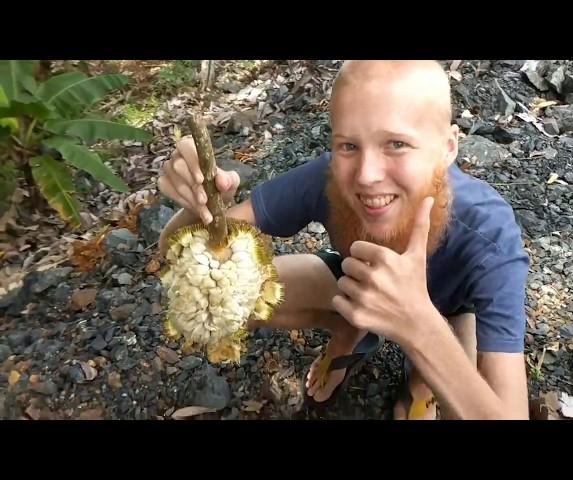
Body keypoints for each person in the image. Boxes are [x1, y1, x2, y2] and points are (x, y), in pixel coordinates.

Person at [157, 60, 530, 419]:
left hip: (447, 314)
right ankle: (347, 328)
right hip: (359, 280)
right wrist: (202, 203)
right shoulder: (329, 177)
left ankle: (419, 383)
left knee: (463, 401)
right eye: (348, 145)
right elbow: (188, 263)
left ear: (448, 147)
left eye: (396, 143)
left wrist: (420, 328)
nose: (366, 175)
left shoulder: (490, 236)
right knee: (230, 299)